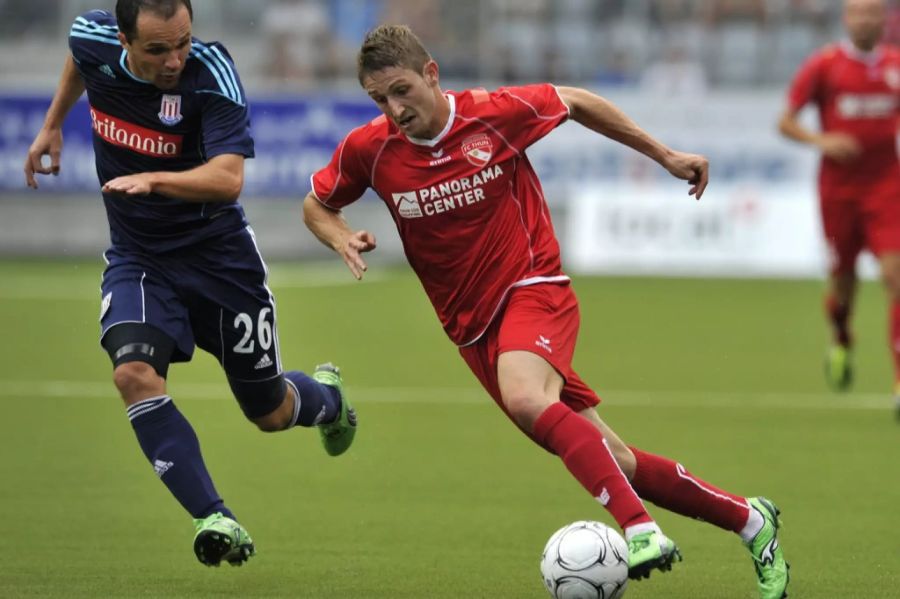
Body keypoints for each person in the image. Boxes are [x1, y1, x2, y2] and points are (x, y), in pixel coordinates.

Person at [302, 24, 789, 599]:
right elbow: (317, 203)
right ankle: (751, 521)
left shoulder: (492, 114)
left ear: (431, 74)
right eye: (379, 99)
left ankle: (639, 530)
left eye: (402, 90)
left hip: (534, 287)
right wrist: (338, 237)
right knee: (615, 460)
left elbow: (577, 102)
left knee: (528, 397)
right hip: (471, 328)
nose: (394, 108)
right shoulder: (371, 148)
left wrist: (664, 155)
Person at [23, 0, 357, 567]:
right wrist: (54, 122)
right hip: (140, 256)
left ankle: (328, 401)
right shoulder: (91, 36)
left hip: (220, 261)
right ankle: (213, 515)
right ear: (124, 41)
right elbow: (79, 59)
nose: (175, 58)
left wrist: (154, 177)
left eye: (182, 41)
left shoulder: (211, 71)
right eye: (157, 49)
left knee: (269, 411)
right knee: (133, 374)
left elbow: (228, 179)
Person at [778, 0, 900, 419]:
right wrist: (823, 141)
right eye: (858, 14)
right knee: (843, 283)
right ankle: (842, 335)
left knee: (894, 276)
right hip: (838, 191)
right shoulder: (825, 66)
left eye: (872, 14)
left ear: (883, 20)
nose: (865, 20)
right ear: (847, 19)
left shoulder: (896, 65)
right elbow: (785, 121)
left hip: (887, 187)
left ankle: (899, 381)